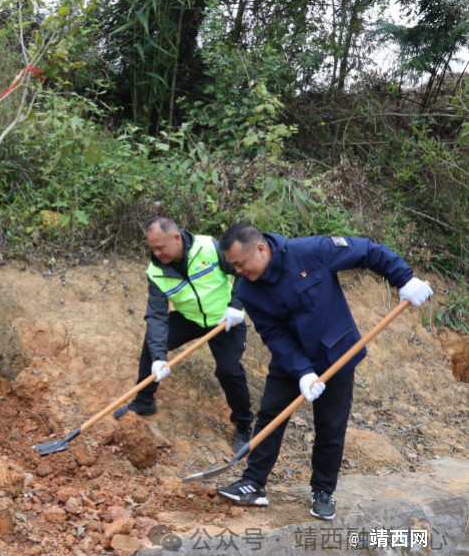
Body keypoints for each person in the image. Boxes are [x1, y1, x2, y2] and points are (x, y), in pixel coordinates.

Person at [215, 223, 432, 520]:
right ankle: (253, 483)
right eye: (233, 266)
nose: (239, 271)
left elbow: (367, 250)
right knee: (270, 418)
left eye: (240, 263)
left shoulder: (311, 251)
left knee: (330, 427)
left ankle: (323, 491)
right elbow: (274, 334)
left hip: (337, 355)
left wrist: (404, 278)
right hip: (290, 362)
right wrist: (302, 372)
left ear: (261, 249)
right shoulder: (248, 291)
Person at [114, 217, 254, 453]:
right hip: (189, 318)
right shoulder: (156, 272)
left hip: (224, 318)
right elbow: (157, 316)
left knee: (229, 370)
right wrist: (159, 356)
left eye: (161, 247)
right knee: (152, 344)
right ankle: (144, 401)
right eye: (153, 248)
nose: (157, 253)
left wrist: (236, 304)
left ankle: (244, 424)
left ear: (177, 238)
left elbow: (243, 269)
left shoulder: (209, 247)